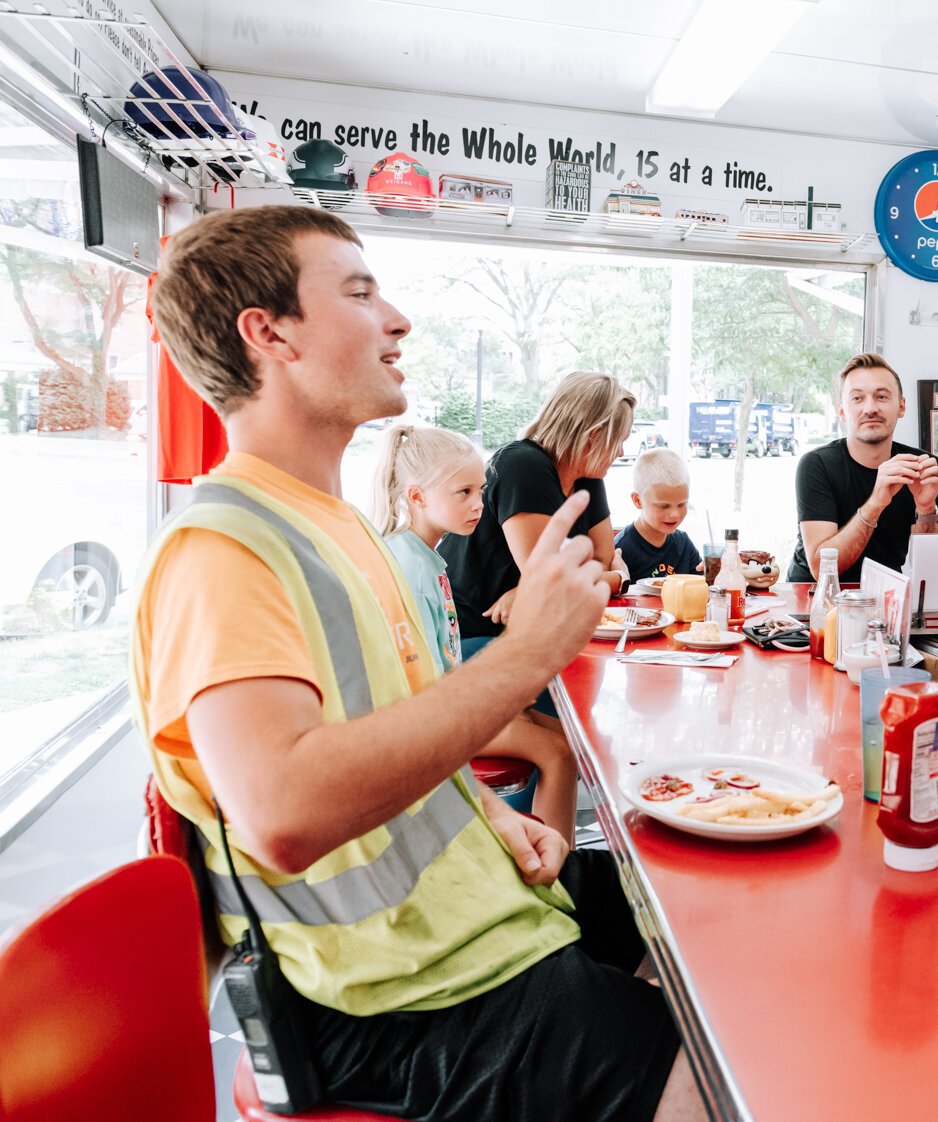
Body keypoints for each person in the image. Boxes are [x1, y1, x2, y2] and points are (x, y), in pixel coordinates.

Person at [137, 205, 704, 1122]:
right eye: (361, 293)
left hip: (465, 919)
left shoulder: (344, 529)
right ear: (268, 332)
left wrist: (486, 811)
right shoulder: (225, 550)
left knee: (699, 911)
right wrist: (526, 656)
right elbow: (282, 814)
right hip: (381, 995)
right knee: (723, 1077)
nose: (397, 318)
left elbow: (392, 723)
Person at [371, 423, 579, 840]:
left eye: (480, 491)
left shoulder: (426, 557)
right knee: (558, 753)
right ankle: (563, 871)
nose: (479, 504)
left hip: (444, 709)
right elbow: (418, 681)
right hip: (429, 724)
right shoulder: (409, 569)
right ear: (417, 497)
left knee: (545, 725)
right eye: (463, 493)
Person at [439, 370, 633, 660]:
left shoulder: (588, 476)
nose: (620, 452)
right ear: (593, 437)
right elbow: (551, 581)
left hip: (536, 630)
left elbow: (598, 559)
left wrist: (533, 589)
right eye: (618, 440)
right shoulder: (522, 465)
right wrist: (618, 577)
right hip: (473, 636)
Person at [787, 352, 938, 583]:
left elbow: (929, 566)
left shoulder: (923, 468)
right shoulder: (816, 465)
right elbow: (821, 568)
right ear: (842, 411)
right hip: (814, 595)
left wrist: (926, 507)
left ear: (901, 407)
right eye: (857, 398)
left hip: (886, 592)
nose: (870, 408)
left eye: (881, 397)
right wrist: (877, 502)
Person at [614, 447, 703, 580]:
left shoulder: (683, 543)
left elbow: (700, 584)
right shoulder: (622, 549)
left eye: (682, 504)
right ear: (637, 500)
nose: (675, 514)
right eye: (663, 506)